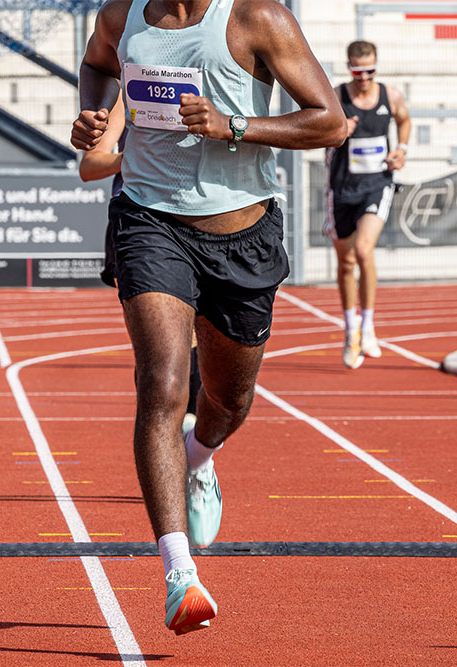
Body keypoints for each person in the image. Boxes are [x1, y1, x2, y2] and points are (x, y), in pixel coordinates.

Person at [72, 0, 346, 635]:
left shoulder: (257, 19)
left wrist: (232, 125)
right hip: (150, 221)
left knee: (227, 401)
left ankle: (201, 455)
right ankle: (179, 574)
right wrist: (92, 116)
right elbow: (97, 66)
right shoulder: (121, 15)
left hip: (242, 235)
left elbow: (330, 123)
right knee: (162, 384)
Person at [79, 94, 203, 428]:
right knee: (158, 342)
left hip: (201, 220)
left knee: (200, 339)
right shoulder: (126, 95)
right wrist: (133, 157)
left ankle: (195, 439)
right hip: (140, 223)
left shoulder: (204, 84)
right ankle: (168, 431)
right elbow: (89, 166)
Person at [324, 40, 411, 369]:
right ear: (349, 68)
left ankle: (369, 327)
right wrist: (338, 130)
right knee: (346, 263)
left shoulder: (391, 96)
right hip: (341, 188)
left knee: (363, 250)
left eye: (370, 71)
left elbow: (404, 120)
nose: (364, 78)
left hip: (377, 184)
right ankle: (352, 331)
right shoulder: (336, 97)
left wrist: (402, 149)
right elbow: (317, 133)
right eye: (357, 71)